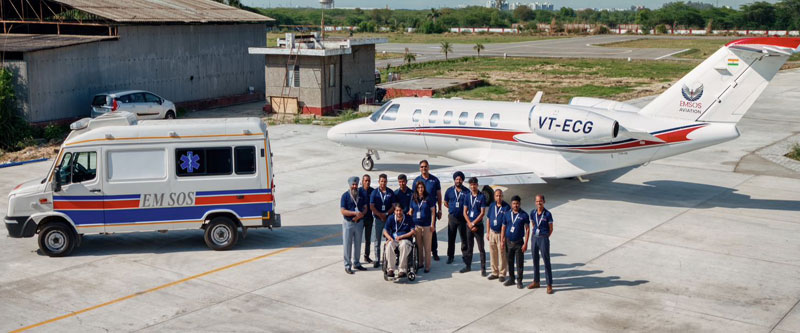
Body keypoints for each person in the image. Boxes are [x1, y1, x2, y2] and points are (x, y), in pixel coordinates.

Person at [340, 176, 368, 274]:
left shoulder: (361, 195)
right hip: (348, 223)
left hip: (359, 223)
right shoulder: (345, 196)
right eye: (353, 184)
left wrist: (361, 214)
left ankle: (357, 262)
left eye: (356, 184)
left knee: (358, 244)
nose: (355, 186)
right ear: (350, 185)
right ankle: (347, 265)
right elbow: (343, 211)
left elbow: (365, 207)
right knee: (347, 244)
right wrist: (354, 214)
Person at [414, 160, 442, 261]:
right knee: (419, 233)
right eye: (421, 167)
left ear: (428, 167)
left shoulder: (434, 180)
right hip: (420, 210)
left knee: (432, 230)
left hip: (431, 210)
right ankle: (420, 254)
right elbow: (414, 195)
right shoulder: (416, 180)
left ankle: (434, 251)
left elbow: (438, 195)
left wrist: (440, 209)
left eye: (425, 166)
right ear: (419, 168)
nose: (423, 169)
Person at [528, 194, 555, 294]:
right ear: (535, 202)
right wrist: (535, 233)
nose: (539, 203)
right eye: (537, 201)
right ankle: (536, 281)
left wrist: (545, 236)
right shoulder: (533, 212)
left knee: (546, 261)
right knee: (535, 260)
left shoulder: (548, 214)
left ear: (544, 202)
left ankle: (549, 284)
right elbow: (533, 224)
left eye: (540, 201)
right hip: (534, 238)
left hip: (543, 238)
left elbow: (551, 228)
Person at [501, 195, 529, 288]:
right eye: (514, 203)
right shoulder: (507, 214)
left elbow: (527, 229)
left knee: (519, 263)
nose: (515, 205)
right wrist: (502, 240)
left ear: (520, 204)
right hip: (508, 242)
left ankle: (519, 281)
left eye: (517, 203)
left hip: (519, 243)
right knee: (510, 262)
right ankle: (511, 279)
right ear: (511, 204)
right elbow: (503, 227)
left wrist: (526, 243)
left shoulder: (524, 215)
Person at [461, 177, 487, 275]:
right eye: (471, 185)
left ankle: (483, 268)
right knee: (469, 247)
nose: (473, 186)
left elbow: (482, 213)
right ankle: (468, 266)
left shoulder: (481, 196)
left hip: (478, 226)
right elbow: (464, 212)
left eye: (474, 184)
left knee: (481, 248)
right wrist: (469, 224)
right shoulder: (467, 196)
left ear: (477, 184)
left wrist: (473, 223)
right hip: (469, 225)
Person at [383, 204, 416, 278]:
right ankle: (391, 269)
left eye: (400, 210)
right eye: (397, 210)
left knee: (404, 244)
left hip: (405, 239)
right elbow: (385, 231)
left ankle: (402, 269)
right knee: (389, 245)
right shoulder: (391, 218)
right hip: (394, 239)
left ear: (403, 211)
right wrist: (390, 238)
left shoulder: (408, 218)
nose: (398, 212)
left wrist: (402, 236)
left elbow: (413, 231)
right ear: (394, 211)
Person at [409, 180, 435, 273]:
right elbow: (411, 211)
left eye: (422, 187)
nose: (420, 189)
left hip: (427, 226)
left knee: (427, 247)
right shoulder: (413, 198)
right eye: (419, 187)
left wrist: (432, 224)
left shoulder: (428, 198)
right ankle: (420, 263)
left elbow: (433, 212)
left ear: (424, 188)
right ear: (416, 189)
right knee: (419, 246)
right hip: (417, 226)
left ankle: (427, 266)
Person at [370, 174, 394, 268]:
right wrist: (380, 215)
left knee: (389, 239)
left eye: (384, 181)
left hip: (388, 219)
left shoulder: (390, 192)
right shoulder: (374, 193)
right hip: (378, 219)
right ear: (379, 182)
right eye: (381, 181)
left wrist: (386, 214)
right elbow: (372, 206)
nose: (383, 183)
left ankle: (388, 258)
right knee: (377, 239)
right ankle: (377, 259)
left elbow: (393, 205)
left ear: (387, 182)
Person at [485, 189, 510, 282]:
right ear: (494, 197)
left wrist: (504, 237)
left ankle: (502, 273)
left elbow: (507, 223)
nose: (499, 197)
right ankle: (494, 272)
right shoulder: (492, 205)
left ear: (502, 196)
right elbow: (488, 219)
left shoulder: (506, 207)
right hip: (492, 233)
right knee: (493, 253)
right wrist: (487, 232)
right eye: (497, 196)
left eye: (500, 195)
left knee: (502, 254)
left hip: (501, 234)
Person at [359, 174, 375, 264]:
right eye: (365, 180)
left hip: (369, 218)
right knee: (358, 239)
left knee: (368, 239)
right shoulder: (359, 191)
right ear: (362, 182)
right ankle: (356, 258)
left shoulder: (372, 191)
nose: (367, 182)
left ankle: (367, 256)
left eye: (369, 180)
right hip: (360, 219)